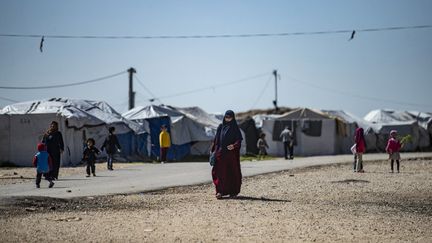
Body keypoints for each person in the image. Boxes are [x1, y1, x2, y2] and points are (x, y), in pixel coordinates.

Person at [211, 110, 243, 199]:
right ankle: (220, 192)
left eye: (230, 117)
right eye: (226, 117)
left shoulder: (235, 128)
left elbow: (239, 140)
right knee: (219, 173)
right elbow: (216, 139)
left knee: (232, 173)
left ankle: (233, 192)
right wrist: (213, 150)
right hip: (220, 154)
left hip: (231, 155)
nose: (228, 119)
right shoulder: (220, 127)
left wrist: (234, 145)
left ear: (233, 118)